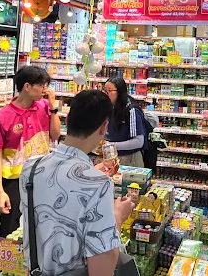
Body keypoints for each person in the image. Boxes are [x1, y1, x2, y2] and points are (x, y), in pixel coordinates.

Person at [20, 90, 135, 276]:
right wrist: (118, 216)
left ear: (67, 120)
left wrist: (91, 171)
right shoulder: (100, 184)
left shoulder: (31, 168)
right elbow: (102, 270)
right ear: (104, 127)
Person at [0, 65, 61, 237]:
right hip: (14, 181)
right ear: (27, 86)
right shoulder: (2, 116)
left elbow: (55, 135)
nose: (45, 90)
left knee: (40, 225)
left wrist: (53, 108)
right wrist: (0, 191)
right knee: (11, 230)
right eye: (41, 85)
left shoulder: (44, 106)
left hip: (42, 176)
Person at [103, 77, 146, 167]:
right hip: (114, 156)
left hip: (131, 159)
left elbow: (139, 141)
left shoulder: (131, 110)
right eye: (105, 91)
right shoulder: (110, 107)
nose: (106, 94)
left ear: (119, 91)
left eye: (109, 91)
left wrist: (112, 145)